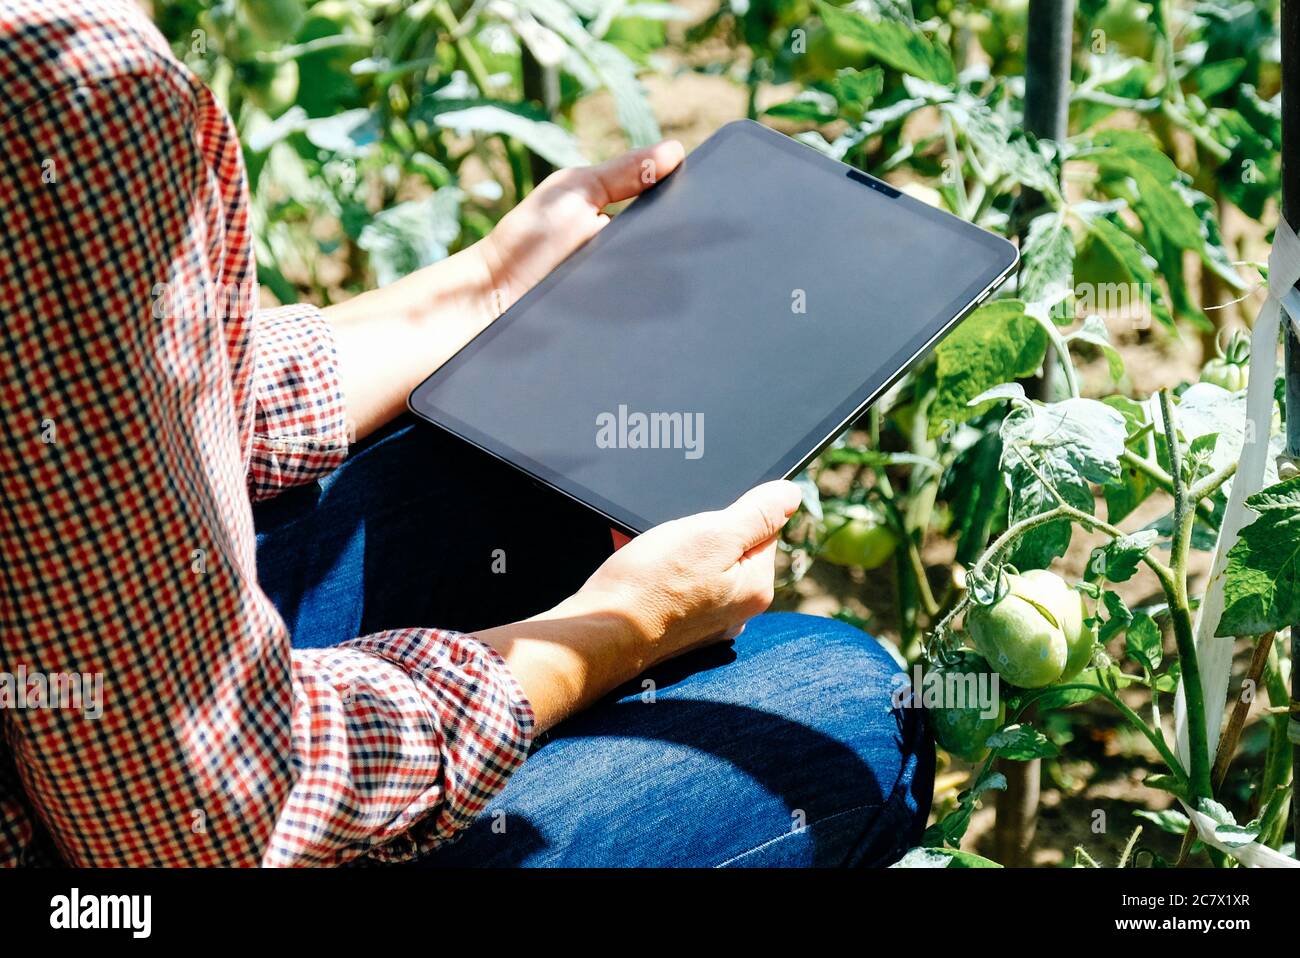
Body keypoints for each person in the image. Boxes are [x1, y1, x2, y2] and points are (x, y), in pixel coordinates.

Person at [0, 0, 932, 867]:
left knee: (504, 471)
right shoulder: (75, 84)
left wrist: (484, 285)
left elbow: (115, 406)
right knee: (848, 702)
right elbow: (185, 823)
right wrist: (611, 634)